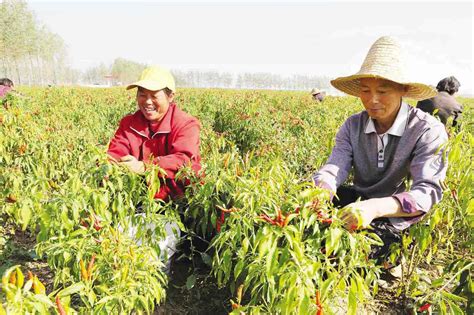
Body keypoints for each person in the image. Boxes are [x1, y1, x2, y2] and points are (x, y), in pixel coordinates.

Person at [312, 36, 448, 264]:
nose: (372, 100)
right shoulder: (353, 125)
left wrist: (375, 207)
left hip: (394, 210)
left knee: (361, 254)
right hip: (359, 199)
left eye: (383, 91)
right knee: (307, 219)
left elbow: (427, 192)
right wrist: (320, 191)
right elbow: (336, 165)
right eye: (365, 91)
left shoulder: (426, 130)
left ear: (402, 89)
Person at [107, 65, 201, 200]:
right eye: (142, 95)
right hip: (138, 199)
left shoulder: (185, 124)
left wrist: (145, 167)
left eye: (154, 96)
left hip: (177, 200)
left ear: (170, 96)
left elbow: (185, 159)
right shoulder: (129, 124)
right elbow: (115, 153)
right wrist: (112, 165)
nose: (147, 102)